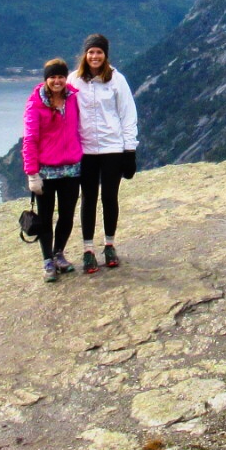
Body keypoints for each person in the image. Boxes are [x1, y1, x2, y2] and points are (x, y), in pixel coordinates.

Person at [73, 32, 138, 274]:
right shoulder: (74, 81)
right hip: (86, 150)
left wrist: (129, 150)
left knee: (110, 197)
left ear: (105, 55)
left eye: (99, 52)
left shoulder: (117, 80)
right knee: (88, 199)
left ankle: (109, 245)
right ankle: (88, 249)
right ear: (85, 55)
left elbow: (128, 115)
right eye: (91, 52)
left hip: (112, 148)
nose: (95, 56)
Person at [21, 58, 83, 281]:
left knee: (66, 216)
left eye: (60, 77)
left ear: (66, 78)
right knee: (45, 218)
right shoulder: (35, 105)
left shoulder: (73, 99)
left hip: (72, 170)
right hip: (46, 172)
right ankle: (47, 260)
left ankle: (58, 254)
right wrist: (32, 174)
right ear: (46, 79)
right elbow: (30, 140)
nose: (57, 81)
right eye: (52, 77)